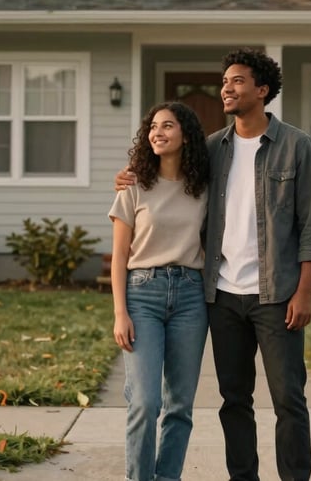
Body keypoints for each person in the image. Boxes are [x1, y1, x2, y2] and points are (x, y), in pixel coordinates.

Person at [116, 48, 311, 481]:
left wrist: (305, 290)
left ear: (262, 90)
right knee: (234, 399)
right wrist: (128, 175)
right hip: (222, 295)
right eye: (224, 81)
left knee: (288, 397)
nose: (226, 89)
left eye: (237, 81)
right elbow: (169, 169)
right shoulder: (213, 148)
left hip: (277, 294)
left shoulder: (297, 146)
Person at [108, 101, 210, 481]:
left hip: (190, 296)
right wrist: (121, 312)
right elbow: (119, 256)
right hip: (142, 294)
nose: (157, 132)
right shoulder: (134, 185)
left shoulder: (203, 185)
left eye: (167, 126)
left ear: (186, 135)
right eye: (153, 127)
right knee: (145, 403)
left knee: (180, 405)